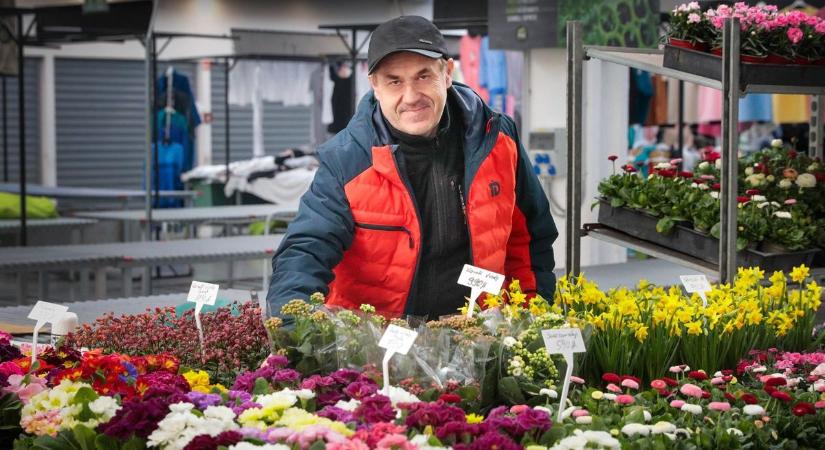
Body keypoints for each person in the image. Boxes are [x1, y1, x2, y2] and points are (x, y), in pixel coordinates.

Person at [266, 15, 557, 319]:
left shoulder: (496, 139)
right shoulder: (347, 159)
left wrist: (529, 318)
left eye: (423, 76)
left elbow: (530, 237)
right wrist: (293, 327)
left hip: (477, 334)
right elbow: (307, 248)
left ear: (447, 73)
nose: (411, 96)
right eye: (394, 81)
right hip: (377, 341)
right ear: (375, 86)